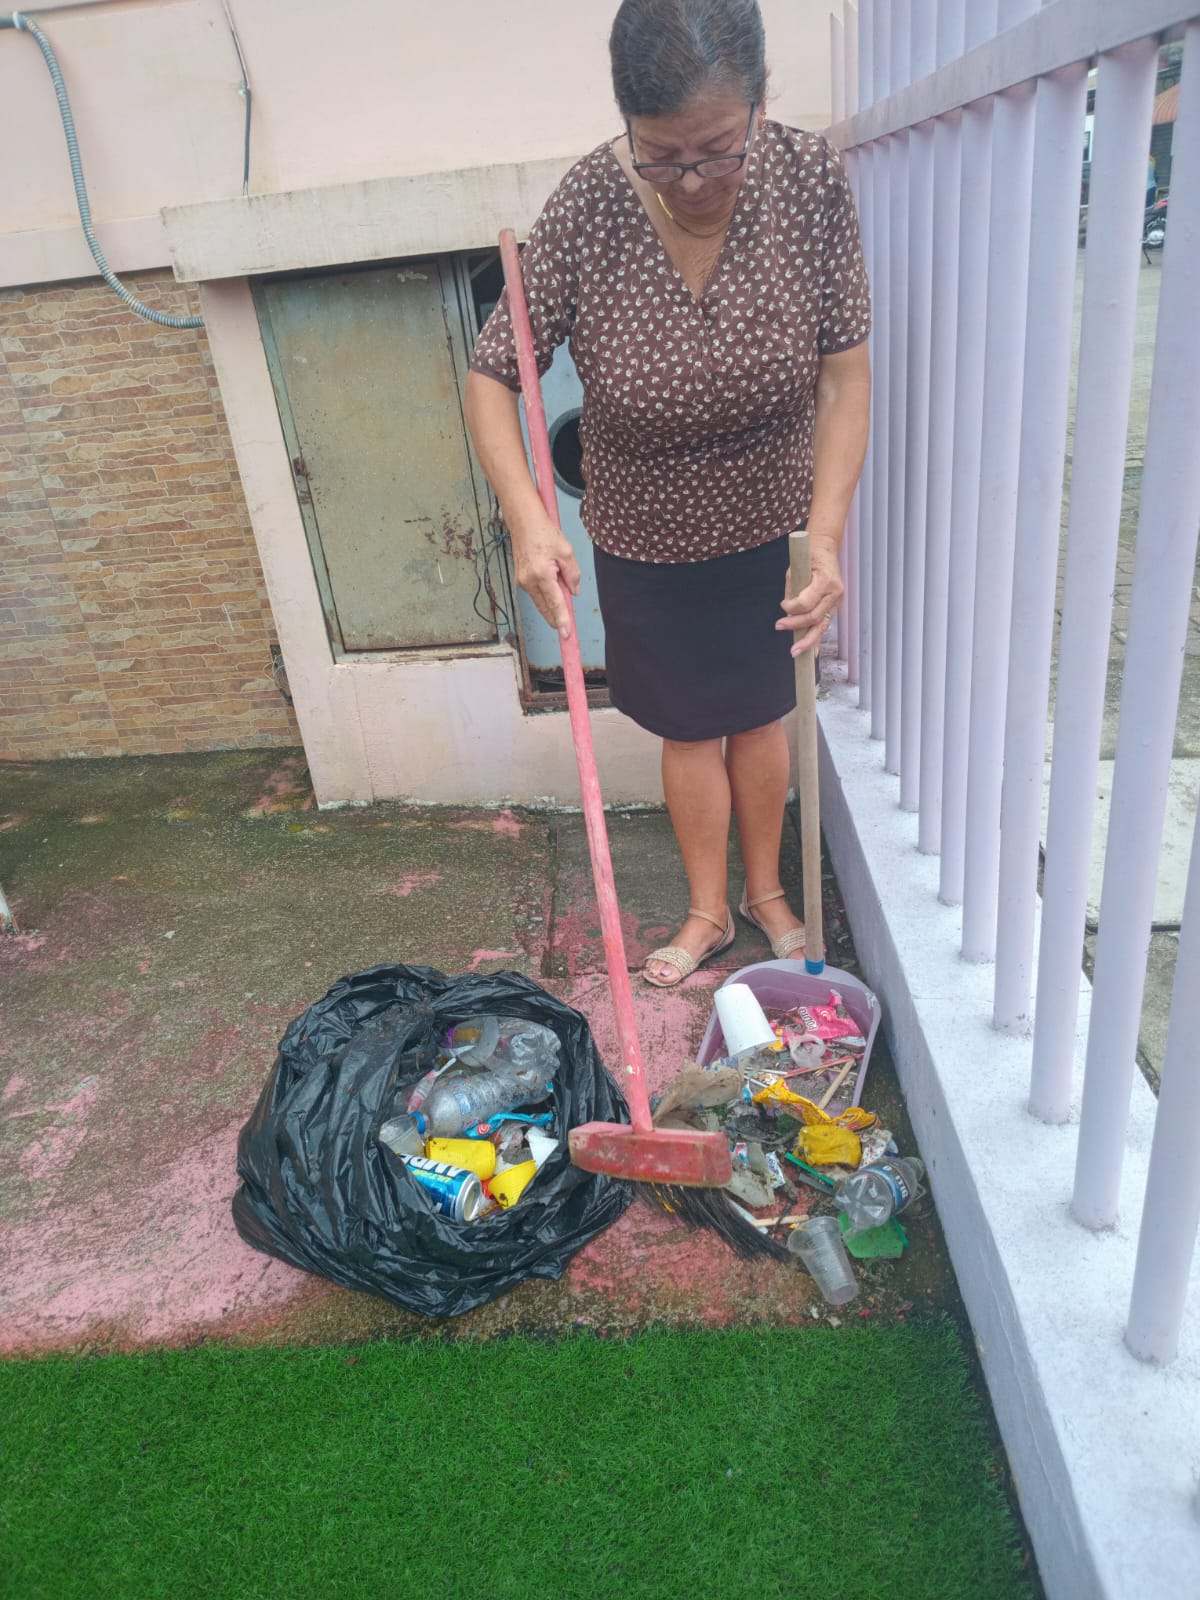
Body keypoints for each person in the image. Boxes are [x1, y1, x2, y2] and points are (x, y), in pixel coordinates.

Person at [465, 0, 871, 986]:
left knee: (761, 714)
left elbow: (844, 376)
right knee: (689, 726)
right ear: (628, 128)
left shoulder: (809, 180)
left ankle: (766, 893)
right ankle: (706, 911)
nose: (692, 179)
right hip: (644, 532)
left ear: (761, 103)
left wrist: (825, 536)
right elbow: (492, 375)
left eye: (718, 148)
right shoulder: (589, 204)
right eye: (662, 156)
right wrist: (528, 519)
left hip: (769, 522)